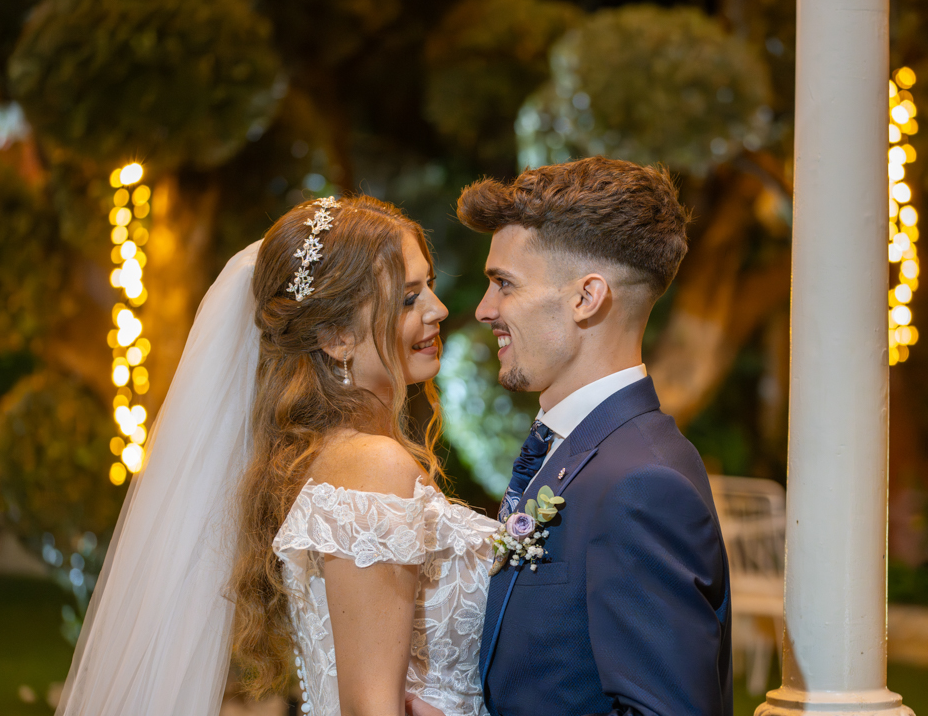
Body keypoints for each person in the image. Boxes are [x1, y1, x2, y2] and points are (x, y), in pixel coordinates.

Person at [58, 195, 498, 716]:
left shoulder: (325, 457)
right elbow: (370, 706)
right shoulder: (373, 468)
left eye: (429, 285)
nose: (438, 309)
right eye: (407, 299)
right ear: (335, 337)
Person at [457, 157, 733, 716]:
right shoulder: (582, 448)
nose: (485, 310)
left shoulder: (642, 483)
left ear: (586, 298)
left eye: (504, 284)